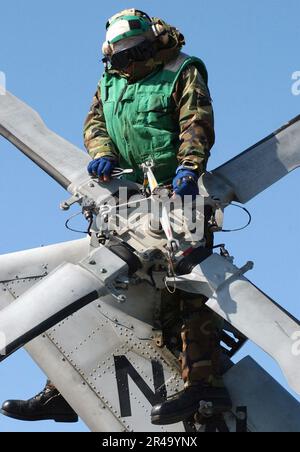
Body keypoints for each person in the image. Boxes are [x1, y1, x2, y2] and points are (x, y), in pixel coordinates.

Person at [0, 8, 231, 426]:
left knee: (186, 289)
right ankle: (64, 390)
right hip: (125, 201)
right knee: (89, 286)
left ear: (151, 44)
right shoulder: (111, 79)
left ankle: (202, 384)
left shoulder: (182, 70)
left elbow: (196, 121)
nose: (128, 64)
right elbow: (95, 123)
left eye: (135, 54)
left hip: (178, 200)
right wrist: (102, 153)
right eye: (119, 58)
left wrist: (189, 166)